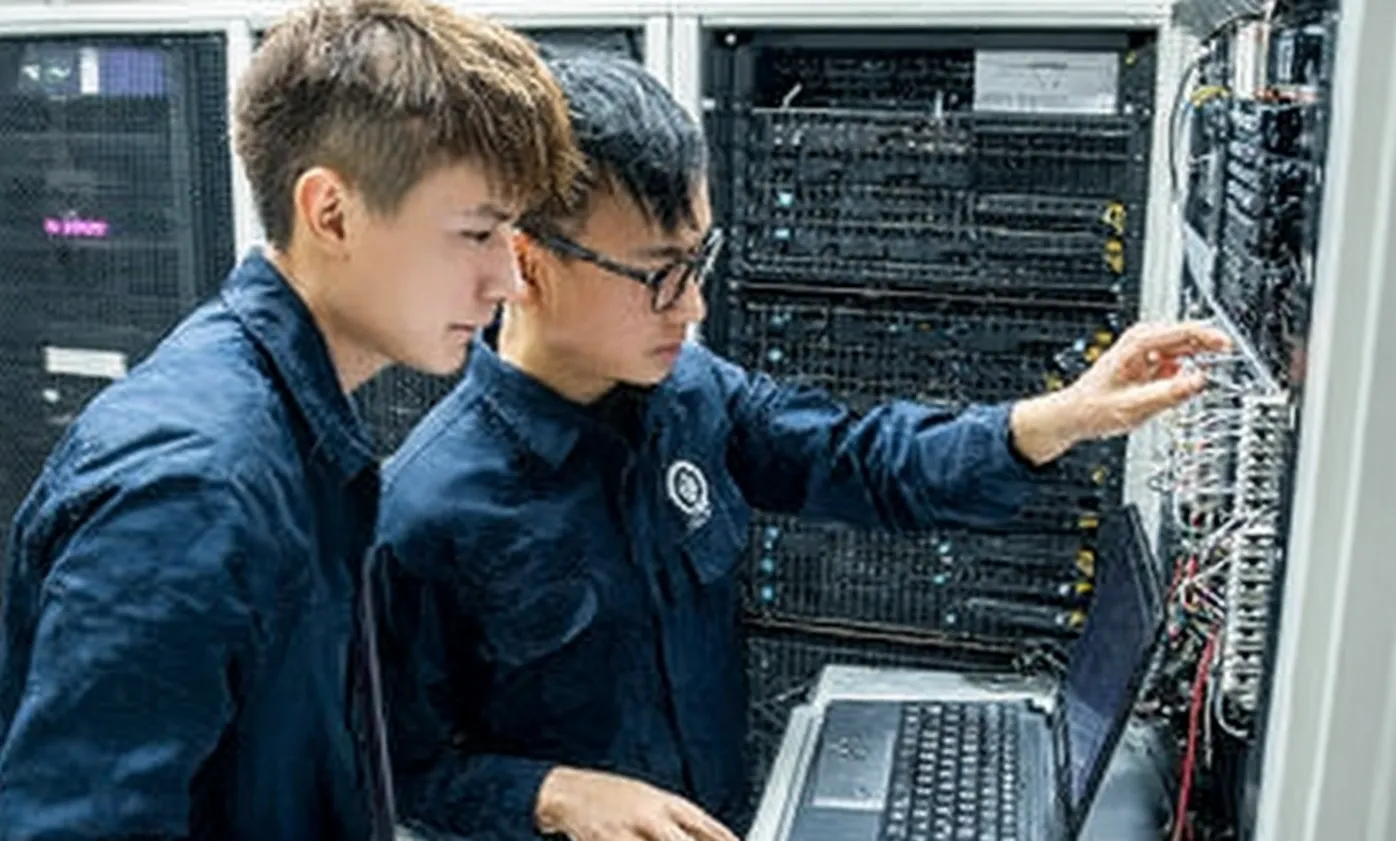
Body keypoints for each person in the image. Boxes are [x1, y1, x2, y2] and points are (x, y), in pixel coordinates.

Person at [359, 51, 1229, 841]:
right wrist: (555, 793)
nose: (693, 305)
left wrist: (1066, 415)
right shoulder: (422, 514)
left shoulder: (691, 398)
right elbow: (402, 773)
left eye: (700, 260)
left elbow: (858, 456)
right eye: (660, 273)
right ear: (526, 263)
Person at [0, 2, 578, 839]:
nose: (506, 282)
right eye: (477, 232)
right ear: (330, 211)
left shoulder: (296, 436)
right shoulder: (196, 490)